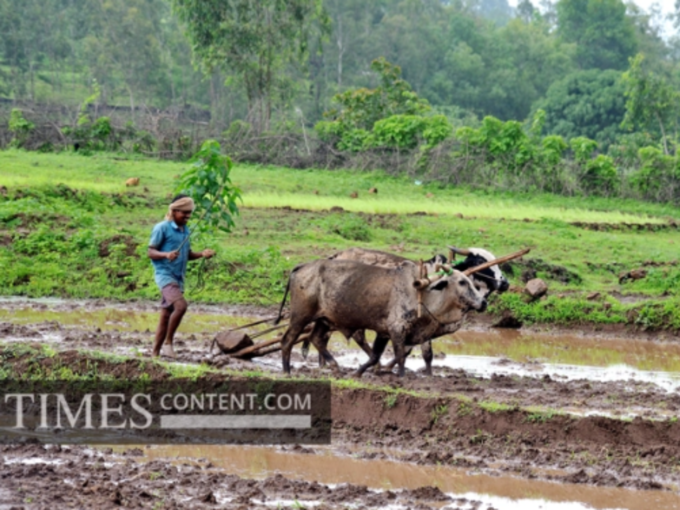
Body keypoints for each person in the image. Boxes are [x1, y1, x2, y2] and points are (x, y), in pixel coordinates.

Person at [148, 194, 215, 358]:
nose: (187, 216)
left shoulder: (185, 231)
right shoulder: (162, 228)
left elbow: (187, 254)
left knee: (166, 315)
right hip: (165, 275)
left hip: (178, 278)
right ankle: (168, 343)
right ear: (174, 211)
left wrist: (202, 254)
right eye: (184, 213)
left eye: (190, 213)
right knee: (181, 306)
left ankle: (155, 354)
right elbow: (150, 251)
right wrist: (166, 255)